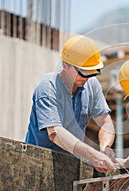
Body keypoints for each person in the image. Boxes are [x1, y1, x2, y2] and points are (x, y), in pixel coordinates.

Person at [25, 35, 116, 173]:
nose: (86, 78)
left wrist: (105, 147)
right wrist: (92, 155)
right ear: (65, 65)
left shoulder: (91, 85)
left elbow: (105, 122)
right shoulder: (48, 87)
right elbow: (55, 133)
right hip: (37, 165)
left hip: (70, 166)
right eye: (83, 72)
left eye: (92, 72)